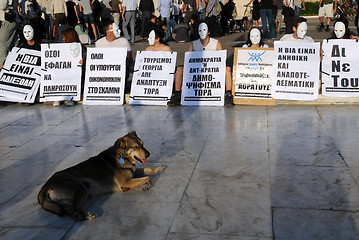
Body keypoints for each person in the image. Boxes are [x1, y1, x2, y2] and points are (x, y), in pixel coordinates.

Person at [167, 22, 234, 107]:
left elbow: (221, 61)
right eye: (200, 30)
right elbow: (189, 61)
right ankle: (177, 93)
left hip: (212, 71)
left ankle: (228, 94)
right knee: (180, 69)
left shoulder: (216, 43)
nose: (202, 32)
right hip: (197, 71)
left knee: (227, 69)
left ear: (209, 31)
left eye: (204, 30)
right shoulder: (194, 44)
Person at [96, 20, 133, 85]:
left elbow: (130, 59)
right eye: (116, 30)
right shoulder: (99, 43)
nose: (119, 31)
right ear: (108, 32)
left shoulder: (124, 41)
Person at [0, 0, 20, 67]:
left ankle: (3, 68)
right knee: (12, 47)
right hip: (10, 20)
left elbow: (3, 5)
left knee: (3, 46)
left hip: (7, 20)